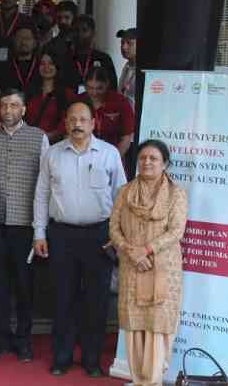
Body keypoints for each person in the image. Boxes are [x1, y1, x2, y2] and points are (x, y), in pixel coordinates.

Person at [33, 101, 126, 377]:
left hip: (100, 235)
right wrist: (39, 232)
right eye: (72, 119)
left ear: (93, 123)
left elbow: (121, 197)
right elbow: (41, 194)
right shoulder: (52, 154)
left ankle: (91, 359)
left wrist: (117, 235)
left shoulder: (109, 154)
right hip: (61, 234)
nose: (77, 124)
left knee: (96, 301)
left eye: (83, 119)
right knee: (63, 298)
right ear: (65, 122)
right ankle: (61, 357)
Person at [110, 139, 188, 386]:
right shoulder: (125, 192)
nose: (147, 162)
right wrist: (131, 252)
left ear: (164, 163)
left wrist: (146, 250)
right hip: (132, 266)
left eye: (153, 158)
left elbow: (176, 231)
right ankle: (138, 379)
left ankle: (153, 380)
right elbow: (114, 228)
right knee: (135, 326)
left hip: (163, 268)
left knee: (157, 326)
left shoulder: (177, 194)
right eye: (143, 157)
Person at [0, 89, 49, 362]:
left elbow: (45, 184)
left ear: (24, 110)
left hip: (25, 225)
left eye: (14, 105)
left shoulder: (39, 137)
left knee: (23, 285)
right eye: (4, 105)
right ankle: (0, 338)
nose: (8, 110)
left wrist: (40, 227)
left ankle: (23, 340)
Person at [84, 66, 134, 159]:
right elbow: (68, 134)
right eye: (90, 88)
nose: (94, 93)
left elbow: (126, 138)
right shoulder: (78, 102)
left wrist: (113, 160)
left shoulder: (120, 101)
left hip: (113, 155)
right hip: (83, 157)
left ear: (107, 84)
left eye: (99, 88)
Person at [25, 51, 72, 143]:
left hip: (56, 146)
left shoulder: (67, 94)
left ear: (57, 66)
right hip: (30, 143)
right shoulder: (30, 91)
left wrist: (46, 138)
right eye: (42, 64)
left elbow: (67, 121)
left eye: (51, 63)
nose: (46, 67)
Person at [72, 14, 118, 91]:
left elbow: (112, 88)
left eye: (84, 30)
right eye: (76, 30)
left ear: (93, 33)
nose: (80, 34)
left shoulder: (104, 59)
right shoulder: (66, 58)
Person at [0, 25, 40, 92]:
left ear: (35, 43)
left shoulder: (42, 66)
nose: (23, 42)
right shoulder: (2, 67)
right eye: (19, 38)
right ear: (13, 41)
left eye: (27, 38)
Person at [117, 27, 137, 111]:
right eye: (122, 43)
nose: (124, 47)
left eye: (129, 43)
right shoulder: (127, 66)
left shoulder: (145, 71)